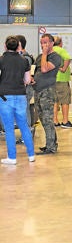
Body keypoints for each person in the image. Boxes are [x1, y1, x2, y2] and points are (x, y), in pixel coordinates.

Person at [0, 35, 36, 164]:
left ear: (5, 46)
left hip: (5, 97)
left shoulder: (1, 60)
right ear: (18, 47)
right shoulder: (24, 61)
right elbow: (27, 80)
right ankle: (31, 155)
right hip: (21, 96)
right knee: (24, 126)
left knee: (9, 128)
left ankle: (12, 157)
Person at [34, 33, 63, 155]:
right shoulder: (40, 56)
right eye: (41, 43)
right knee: (42, 118)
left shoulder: (55, 57)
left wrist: (45, 53)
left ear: (51, 43)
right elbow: (35, 69)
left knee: (47, 119)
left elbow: (45, 69)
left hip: (47, 91)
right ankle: (50, 144)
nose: (43, 45)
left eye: (45, 42)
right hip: (37, 90)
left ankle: (51, 147)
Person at [52, 36, 72, 128]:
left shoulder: (50, 50)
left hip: (52, 79)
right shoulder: (60, 50)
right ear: (60, 43)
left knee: (55, 101)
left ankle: (55, 120)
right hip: (62, 79)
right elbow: (67, 58)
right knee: (65, 101)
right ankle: (65, 121)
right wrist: (64, 68)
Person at [15, 35, 35, 127]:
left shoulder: (25, 58)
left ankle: (27, 133)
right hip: (23, 88)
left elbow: (25, 75)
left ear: (19, 44)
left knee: (25, 109)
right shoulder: (21, 56)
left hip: (26, 88)